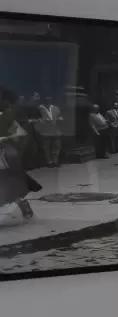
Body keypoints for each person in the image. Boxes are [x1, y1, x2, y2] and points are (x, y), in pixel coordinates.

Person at [0, 87, 41, 221]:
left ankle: (22, 203)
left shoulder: (5, 118)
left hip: (3, 156)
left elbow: (20, 133)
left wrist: (4, 138)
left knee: (7, 183)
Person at [35, 95, 63, 167]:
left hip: (55, 129)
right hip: (45, 130)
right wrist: (42, 121)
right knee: (46, 147)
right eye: (46, 98)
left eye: (49, 98)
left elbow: (61, 117)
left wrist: (59, 119)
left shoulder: (56, 108)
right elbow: (36, 119)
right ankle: (49, 162)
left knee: (56, 146)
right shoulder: (39, 108)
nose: (48, 100)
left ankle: (55, 161)